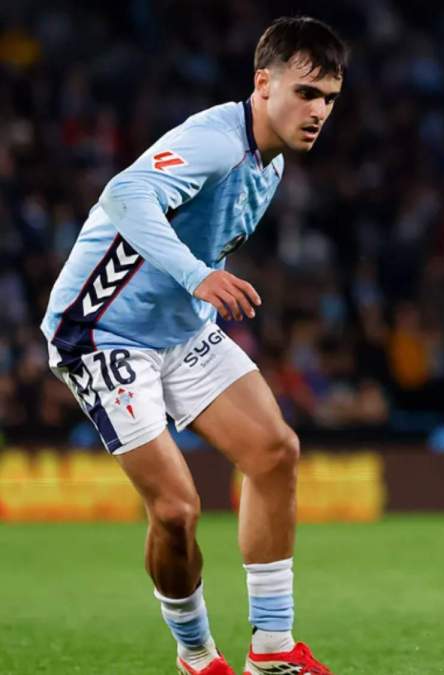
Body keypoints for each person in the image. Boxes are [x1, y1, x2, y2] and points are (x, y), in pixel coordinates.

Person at [40, 16, 345, 675]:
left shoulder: (273, 163)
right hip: (101, 333)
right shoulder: (215, 140)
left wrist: (195, 287)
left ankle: (272, 648)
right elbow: (125, 195)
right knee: (177, 510)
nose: (318, 110)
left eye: (329, 98)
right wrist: (199, 275)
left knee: (274, 452)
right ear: (263, 84)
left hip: (178, 330)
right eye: (306, 92)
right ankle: (197, 655)